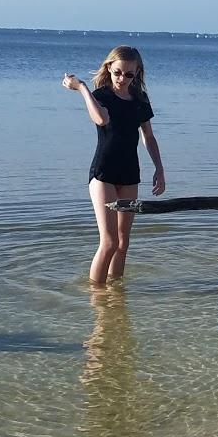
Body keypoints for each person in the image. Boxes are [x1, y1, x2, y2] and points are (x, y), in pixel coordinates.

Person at [61, 45, 166, 284]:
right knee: (108, 243)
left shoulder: (139, 99)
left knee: (122, 243)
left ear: (137, 73)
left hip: (130, 173)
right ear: (109, 68)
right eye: (118, 72)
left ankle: (116, 296)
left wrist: (159, 169)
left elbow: (148, 136)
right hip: (103, 173)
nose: (122, 78)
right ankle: (97, 298)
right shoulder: (101, 96)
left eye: (129, 74)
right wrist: (82, 88)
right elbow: (101, 119)